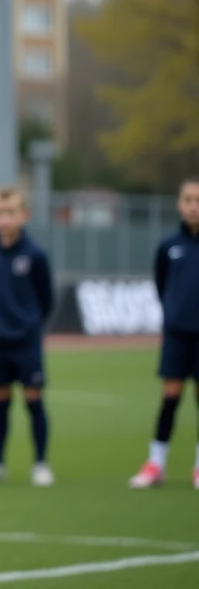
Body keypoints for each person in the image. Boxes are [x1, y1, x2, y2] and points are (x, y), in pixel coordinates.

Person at [0, 186, 55, 488]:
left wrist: (28, 324)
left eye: (11, 212)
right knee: (0, 398)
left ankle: (40, 463)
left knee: (32, 398)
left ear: (24, 215)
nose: (4, 219)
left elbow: (46, 298)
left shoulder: (35, 254)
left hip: (26, 339)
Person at [129, 177, 199, 490]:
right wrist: (174, 313)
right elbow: (162, 285)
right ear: (179, 204)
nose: (194, 207)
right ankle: (156, 463)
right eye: (188, 200)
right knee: (170, 397)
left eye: (198, 200)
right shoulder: (169, 246)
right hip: (176, 334)